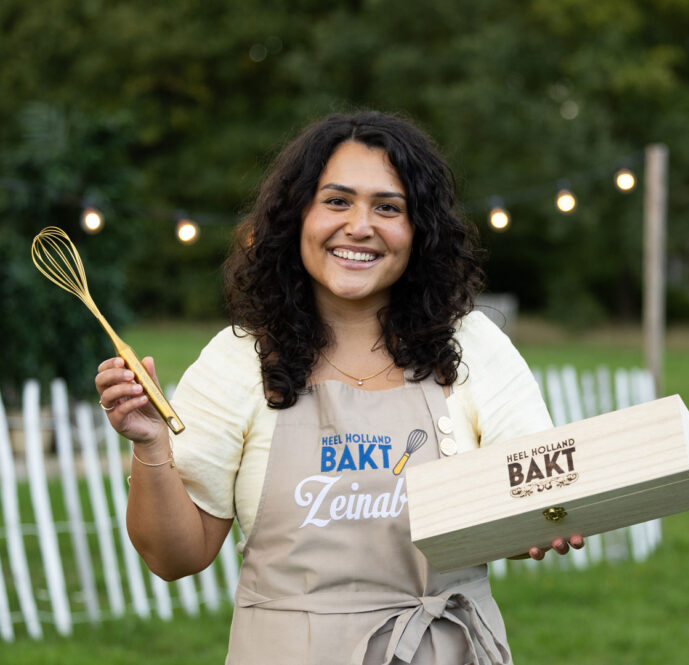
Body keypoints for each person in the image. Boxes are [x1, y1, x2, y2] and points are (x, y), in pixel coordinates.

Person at [95, 111, 583, 664]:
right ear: (297, 216)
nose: (359, 226)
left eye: (388, 207)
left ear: (419, 230)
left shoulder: (474, 346)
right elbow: (173, 556)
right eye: (336, 201)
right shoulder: (238, 358)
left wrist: (544, 524)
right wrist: (151, 444)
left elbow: (535, 497)